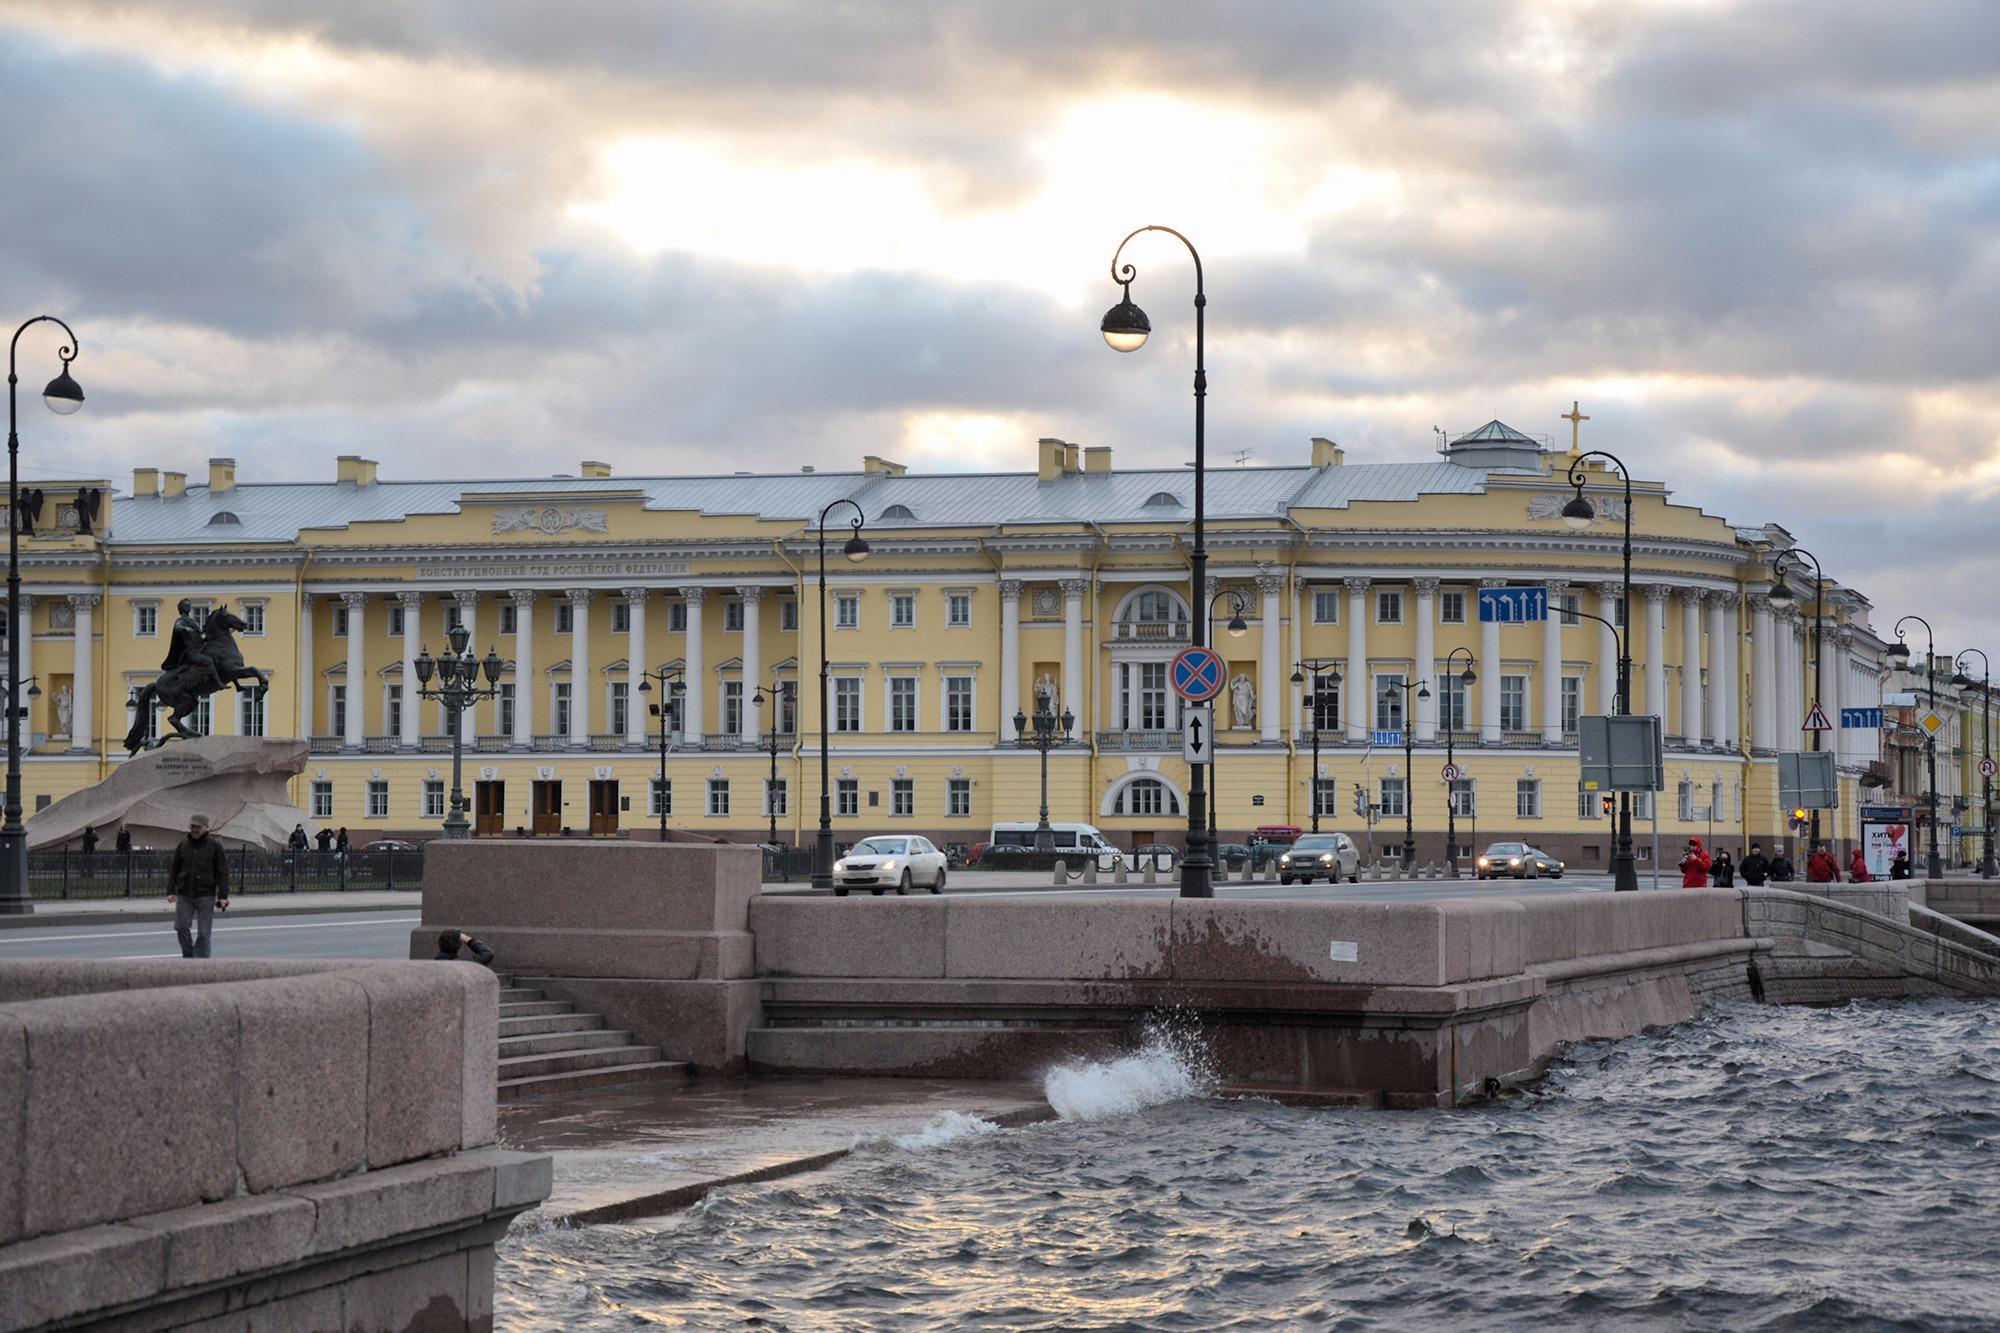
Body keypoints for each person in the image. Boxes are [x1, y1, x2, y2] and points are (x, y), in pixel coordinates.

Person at [167, 814, 229, 958]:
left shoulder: (215, 847)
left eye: (198, 827)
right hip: (184, 894)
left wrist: (223, 896)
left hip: (205, 894)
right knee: (180, 926)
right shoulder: (183, 845)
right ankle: (189, 956)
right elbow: (174, 869)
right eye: (192, 827)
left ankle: (200, 962)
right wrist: (171, 891)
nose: (194, 830)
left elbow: (222, 872)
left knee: (204, 932)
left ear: (206, 828)